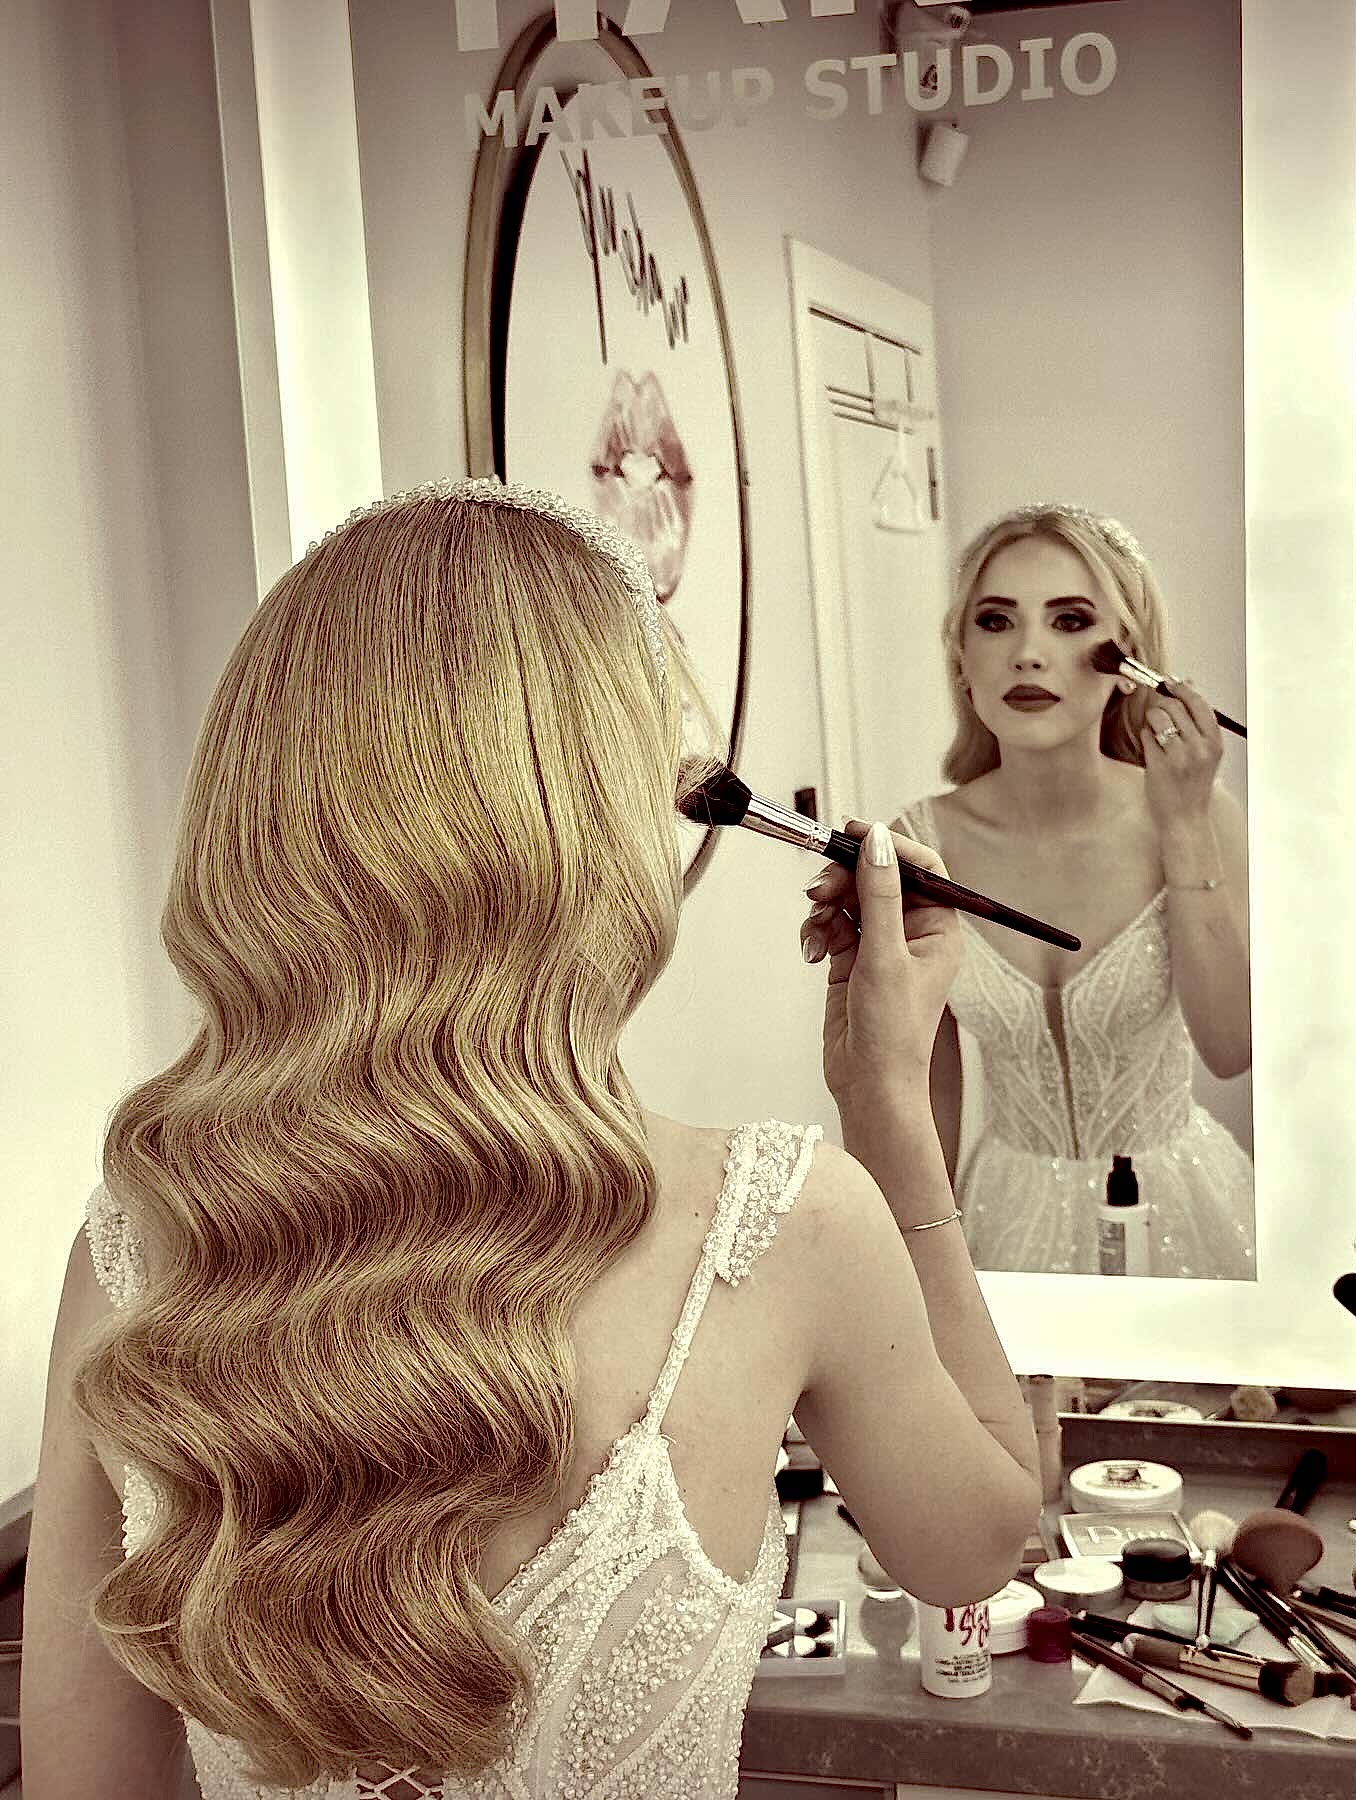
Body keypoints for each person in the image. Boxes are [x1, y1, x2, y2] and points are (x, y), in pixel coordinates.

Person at [23, 479, 1040, 1800]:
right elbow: (975, 1545)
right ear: (597, 830)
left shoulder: (138, 1248)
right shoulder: (781, 1225)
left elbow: (84, 1784)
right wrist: (891, 1102)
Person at [857, 502, 1255, 1280]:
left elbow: (1229, 1046)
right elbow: (926, 1085)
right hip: (1005, 1219)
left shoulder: (1201, 813)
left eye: (1070, 621)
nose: (1029, 654)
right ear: (962, 655)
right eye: (996, 622)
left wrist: (1181, 824)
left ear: (1128, 658)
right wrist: (919, 1262)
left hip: (1184, 1212)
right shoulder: (918, 843)